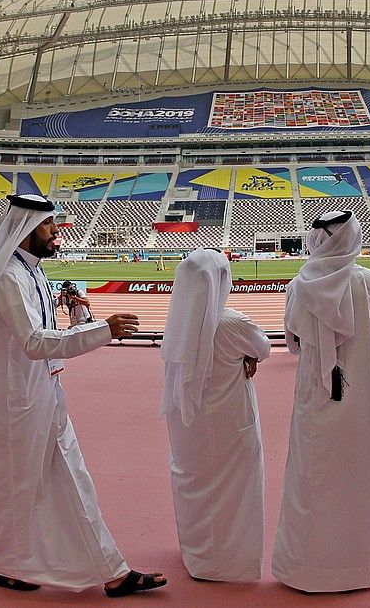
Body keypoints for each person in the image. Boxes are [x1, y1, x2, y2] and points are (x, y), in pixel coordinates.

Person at [0, 193, 166, 598]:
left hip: (43, 393)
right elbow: (33, 342)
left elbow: (40, 327)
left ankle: (111, 571)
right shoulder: (8, 276)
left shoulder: (31, 271)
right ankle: (3, 566)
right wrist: (103, 330)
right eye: (49, 226)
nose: (56, 232)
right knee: (15, 484)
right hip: (17, 400)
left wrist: (77, 314)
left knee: (72, 477)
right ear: (26, 228)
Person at [272, 210, 370, 593]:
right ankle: (367, 567)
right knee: (366, 475)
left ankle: (310, 569)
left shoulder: (298, 286)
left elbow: (292, 343)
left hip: (315, 396)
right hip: (364, 396)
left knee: (313, 475)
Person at [161, 249, 272, 582]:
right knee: (235, 491)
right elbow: (263, 348)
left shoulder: (178, 321)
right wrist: (249, 357)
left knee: (193, 484)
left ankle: (199, 554)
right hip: (231, 424)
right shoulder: (233, 322)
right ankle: (231, 562)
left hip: (188, 424)